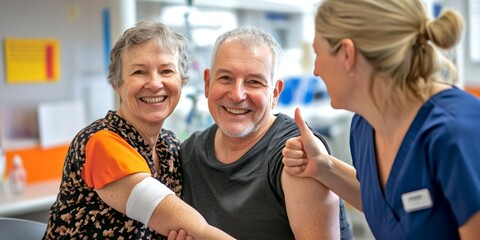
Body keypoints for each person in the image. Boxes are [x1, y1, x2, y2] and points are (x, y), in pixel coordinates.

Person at [282, 1, 480, 239]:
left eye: (317, 53)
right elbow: (390, 207)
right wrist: (323, 166)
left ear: (347, 54)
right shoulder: (364, 126)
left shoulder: (459, 131)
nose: (315, 70)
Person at [43, 20, 234, 240]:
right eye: (139, 72)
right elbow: (195, 228)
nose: (154, 83)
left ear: (181, 82)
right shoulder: (101, 142)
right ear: (117, 84)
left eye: (166, 71)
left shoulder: (169, 145)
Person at [179, 26, 352, 239]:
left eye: (254, 82)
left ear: (275, 93)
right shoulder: (190, 153)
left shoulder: (296, 154)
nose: (237, 94)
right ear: (207, 83)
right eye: (225, 78)